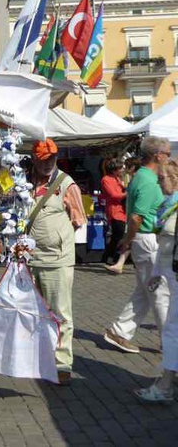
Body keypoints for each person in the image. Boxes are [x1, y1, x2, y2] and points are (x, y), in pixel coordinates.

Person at [104, 136, 172, 354]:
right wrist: (128, 238)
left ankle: (120, 332)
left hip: (144, 239)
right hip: (147, 239)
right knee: (159, 292)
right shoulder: (148, 180)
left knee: (145, 291)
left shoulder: (141, 177)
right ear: (157, 155)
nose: (169, 158)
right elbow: (136, 217)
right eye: (168, 153)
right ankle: (168, 342)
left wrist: (129, 239)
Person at [28, 139, 87, 385]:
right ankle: (42, 359)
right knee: (37, 313)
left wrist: (60, 241)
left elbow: (79, 220)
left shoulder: (66, 183)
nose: (48, 164)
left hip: (57, 260)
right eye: (43, 160)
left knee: (61, 313)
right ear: (35, 160)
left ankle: (62, 364)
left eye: (51, 159)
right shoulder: (27, 181)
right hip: (31, 260)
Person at [135, 159, 178, 403]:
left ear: (174, 179)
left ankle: (165, 385)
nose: (158, 183)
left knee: (172, 330)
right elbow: (166, 248)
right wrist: (156, 274)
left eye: (162, 179)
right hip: (171, 276)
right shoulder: (168, 207)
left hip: (176, 277)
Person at [100, 158, 128, 267]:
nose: (122, 170)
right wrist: (127, 194)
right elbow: (113, 195)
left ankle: (110, 256)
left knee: (118, 234)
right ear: (114, 169)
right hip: (114, 210)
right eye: (120, 168)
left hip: (121, 209)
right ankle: (109, 256)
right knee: (118, 234)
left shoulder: (117, 178)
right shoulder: (106, 179)